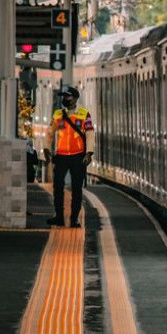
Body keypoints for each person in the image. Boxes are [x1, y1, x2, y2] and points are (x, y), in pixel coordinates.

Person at [44, 86, 94, 228]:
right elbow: (50, 132)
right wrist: (46, 148)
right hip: (61, 156)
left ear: (76, 98)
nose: (65, 99)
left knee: (76, 188)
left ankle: (74, 219)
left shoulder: (84, 114)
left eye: (68, 97)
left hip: (78, 156)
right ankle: (59, 217)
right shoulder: (58, 114)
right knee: (58, 186)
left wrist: (89, 153)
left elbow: (90, 133)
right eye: (64, 97)